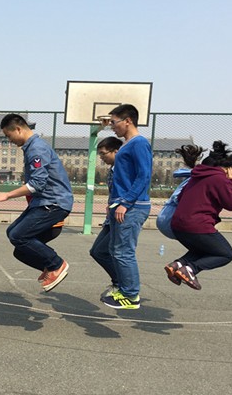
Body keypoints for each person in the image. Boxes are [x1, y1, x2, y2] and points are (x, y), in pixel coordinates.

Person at [0, 114, 73, 292]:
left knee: (18, 235)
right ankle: (49, 267)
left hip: (53, 203)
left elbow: (37, 184)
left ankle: (56, 264)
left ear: (18, 129)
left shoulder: (36, 149)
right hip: (42, 203)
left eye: (9, 136)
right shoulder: (31, 148)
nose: (9, 140)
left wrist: (7, 195)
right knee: (18, 247)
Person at [165, 141, 232, 290]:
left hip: (178, 224)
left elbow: (180, 197)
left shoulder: (199, 174)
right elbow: (231, 204)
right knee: (226, 254)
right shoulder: (220, 179)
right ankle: (190, 269)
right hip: (197, 225)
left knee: (205, 249)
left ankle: (177, 265)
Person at [101, 104, 152, 310]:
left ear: (128, 121)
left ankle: (131, 295)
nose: (112, 127)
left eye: (114, 123)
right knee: (114, 250)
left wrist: (126, 202)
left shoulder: (139, 143)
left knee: (123, 252)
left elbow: (144, 175)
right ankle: (123, 289)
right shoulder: (126, 144)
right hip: (120, 205)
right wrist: (114, 203)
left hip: (132, 206)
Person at [89, 136, 123, 298]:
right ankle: (119, 283)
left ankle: (122, 285)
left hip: (122, 216)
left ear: (116, 151)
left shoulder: (123, 169)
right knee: (96, 251)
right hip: (112, 217)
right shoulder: (113, 169)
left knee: (106, 252)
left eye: (103, 153)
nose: (101, 157)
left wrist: (122, 205)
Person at [156, 144, 206, 239]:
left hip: (165, 218)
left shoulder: (192, 176)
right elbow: (177, 197)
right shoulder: (194, 179)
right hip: (169, 220)